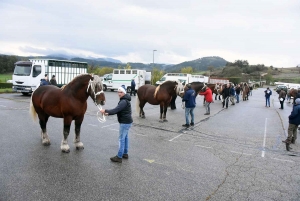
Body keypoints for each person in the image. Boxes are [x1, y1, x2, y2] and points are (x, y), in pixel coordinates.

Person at [100, 86, 133, 163]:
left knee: (121, 139)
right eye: (118, 92)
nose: (119, 94)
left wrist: (105, 110)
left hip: (124, 122)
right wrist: (108, 114)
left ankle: (119, 156)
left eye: (121, 92)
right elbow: (119, 110)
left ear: (124, 93)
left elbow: (116, 110)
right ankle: (125, 153)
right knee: (125, 138)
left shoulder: (123, 101)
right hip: (127, 122)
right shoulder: (125, 100)